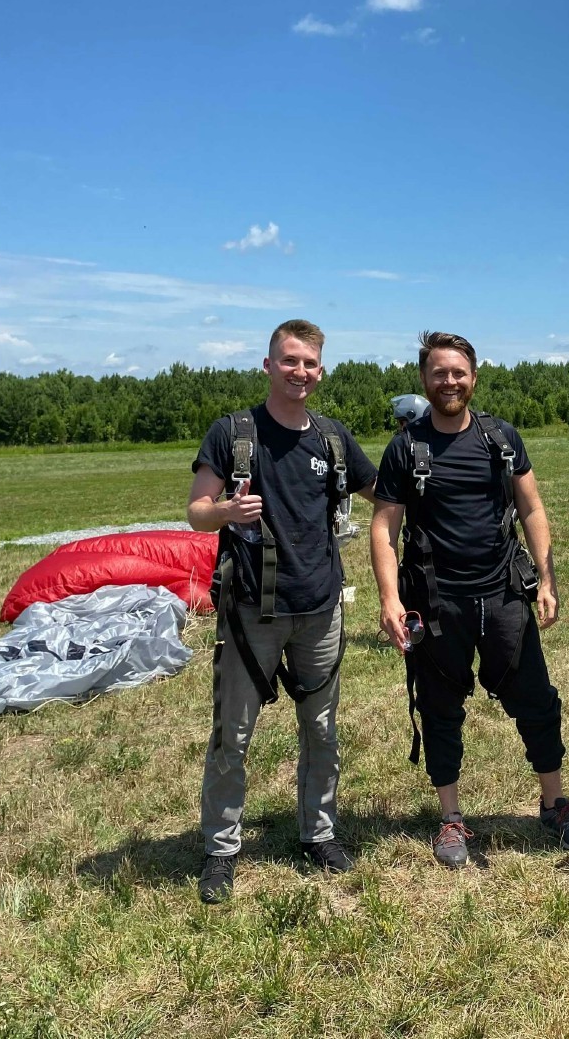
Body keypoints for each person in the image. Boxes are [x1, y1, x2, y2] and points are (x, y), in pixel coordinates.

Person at [370, 331, 569, 868]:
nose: (450, 381)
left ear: (473, 376)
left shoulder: (501, 437)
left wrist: (546, 577)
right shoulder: (407, 447)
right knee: (440, 709)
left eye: (459, 372)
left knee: (537, 701)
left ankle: (553, 801)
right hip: (436, 601)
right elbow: (383, 527)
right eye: (439, 373)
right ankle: (450, 818)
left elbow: (533, 508)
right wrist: (388, 599)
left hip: (503, 595)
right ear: (424, 380)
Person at [187, 319, 378, 904]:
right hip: (253, 609)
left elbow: (385, 493)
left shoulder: (332, 439)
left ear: (321, 371)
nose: (300, 372)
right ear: (268, 364)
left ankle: (318, 834)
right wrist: (226, 512)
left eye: (309, 363)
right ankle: (222, 850)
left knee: (322, 730)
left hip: (320, 606)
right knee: (233, 735)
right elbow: (196, 511)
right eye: (289, 360)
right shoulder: (233, 434)